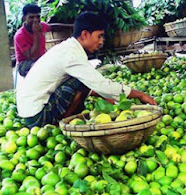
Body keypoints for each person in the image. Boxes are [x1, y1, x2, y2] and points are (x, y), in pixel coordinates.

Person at [16, 12, 156, 128]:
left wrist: (108, 96)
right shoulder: (71, 55)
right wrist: (139, 95)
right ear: (84, 35)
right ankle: (64, 123)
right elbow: (100, 84)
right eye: (99, 36)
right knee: (80, 81)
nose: (101, 42)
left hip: (29, 113)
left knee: (83, 81)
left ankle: (67, 118)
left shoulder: (68, 48)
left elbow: (96, 86)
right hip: (37, 117)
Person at [14, 4, 50, 77]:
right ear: (24, 18)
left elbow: (53, 27)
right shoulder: (20, 35)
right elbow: (33, 56)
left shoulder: (42, 26)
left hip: (42, 59)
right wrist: (37, 33)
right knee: (41, 67)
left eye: (38, 17)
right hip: (25, 64)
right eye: (31, 17)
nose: (35, 20)